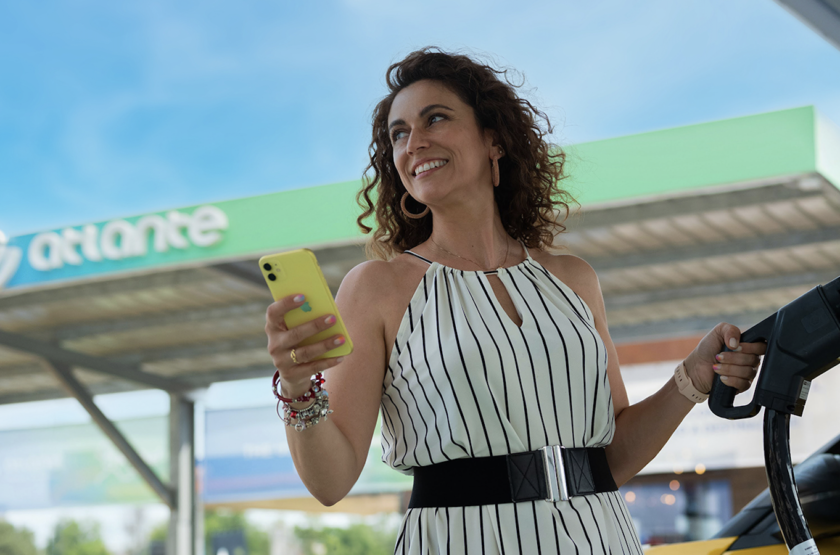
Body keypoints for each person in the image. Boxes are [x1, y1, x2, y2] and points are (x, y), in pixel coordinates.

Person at [265, 48, 767, 554]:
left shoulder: (574, 279)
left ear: (494, 139)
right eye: (399, 134)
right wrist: (296, 385)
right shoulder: (377, 287)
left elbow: (613, 458)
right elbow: (330, 483)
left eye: (434, 119)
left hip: (600, 539)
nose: (414, 143)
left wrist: (693, 377)